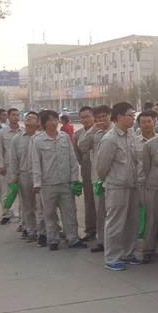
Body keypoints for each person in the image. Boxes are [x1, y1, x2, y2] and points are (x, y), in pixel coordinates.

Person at [31, 110, 86, 251]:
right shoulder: (38, 141)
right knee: (49, 214)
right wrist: (37, 183)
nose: (54, 122)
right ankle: (53, 239)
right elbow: (36, 163)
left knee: (70, 212)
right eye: (50, 120)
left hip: (65, 182)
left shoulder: (65, 137)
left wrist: (74, 178)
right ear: (44, 123)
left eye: (56, 119)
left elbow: (72, 159)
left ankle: (72, 238)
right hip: (48, 184)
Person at [96, 102, 142, 271]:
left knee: (132, 221)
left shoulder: (131, 135)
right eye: (130, 115)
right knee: (115, 222)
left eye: (133, 115)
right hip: (117, 187)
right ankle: (112, 257)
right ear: (119, 117)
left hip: (132, 185)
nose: (133, 119)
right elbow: (102, 167)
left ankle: (128, 253)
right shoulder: (110, 139)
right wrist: (113, 179)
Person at [10, 110, 45, 243]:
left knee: (42, 205)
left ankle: (43, 231)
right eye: (27, 117)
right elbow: (13, 159)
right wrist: (14, 175)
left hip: (41, 176)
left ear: (38, 122)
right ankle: (31, 231)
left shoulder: (42, 137)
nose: (29, 118)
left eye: (32, 117)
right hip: (24, 175)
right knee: (28, 206)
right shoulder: (16, 139)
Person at [139, 111, 158, 264]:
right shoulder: (149, 145)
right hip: (154, 185)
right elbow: (146, 167)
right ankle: (148, 249)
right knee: (153, 218)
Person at [85, 105, 112, 253]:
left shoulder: (116, 132)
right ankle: (101, 241)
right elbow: (82, 146)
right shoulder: (95, 133)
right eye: (98, 117)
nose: (102, 120)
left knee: (113, 212)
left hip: (114, 179)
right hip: (98, 179)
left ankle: (114, 242)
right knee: (100, 211)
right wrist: (92, 130)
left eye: (104, 116)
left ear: (110, 115)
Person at [73, 106, 98, 241]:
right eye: (82, 117)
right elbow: (77, 156)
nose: (85, 120)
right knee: (89, 201)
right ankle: (90, 229)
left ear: (93, 117)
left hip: (101, 171)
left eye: (88, 116)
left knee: (103, 203)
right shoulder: (77, 135)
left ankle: (103, 230)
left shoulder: (100, 131)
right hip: (87, 171)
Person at [0, 107, 23, 224]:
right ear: (8, 117)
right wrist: (1, 165)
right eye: (13, 115)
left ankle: (22, 216)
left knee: (22, 192)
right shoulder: (2, 132)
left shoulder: (23, 131)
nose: (16, 117)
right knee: (6, 192)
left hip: (21, 167)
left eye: (17, 115)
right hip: (7, 167)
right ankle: (6, 214)